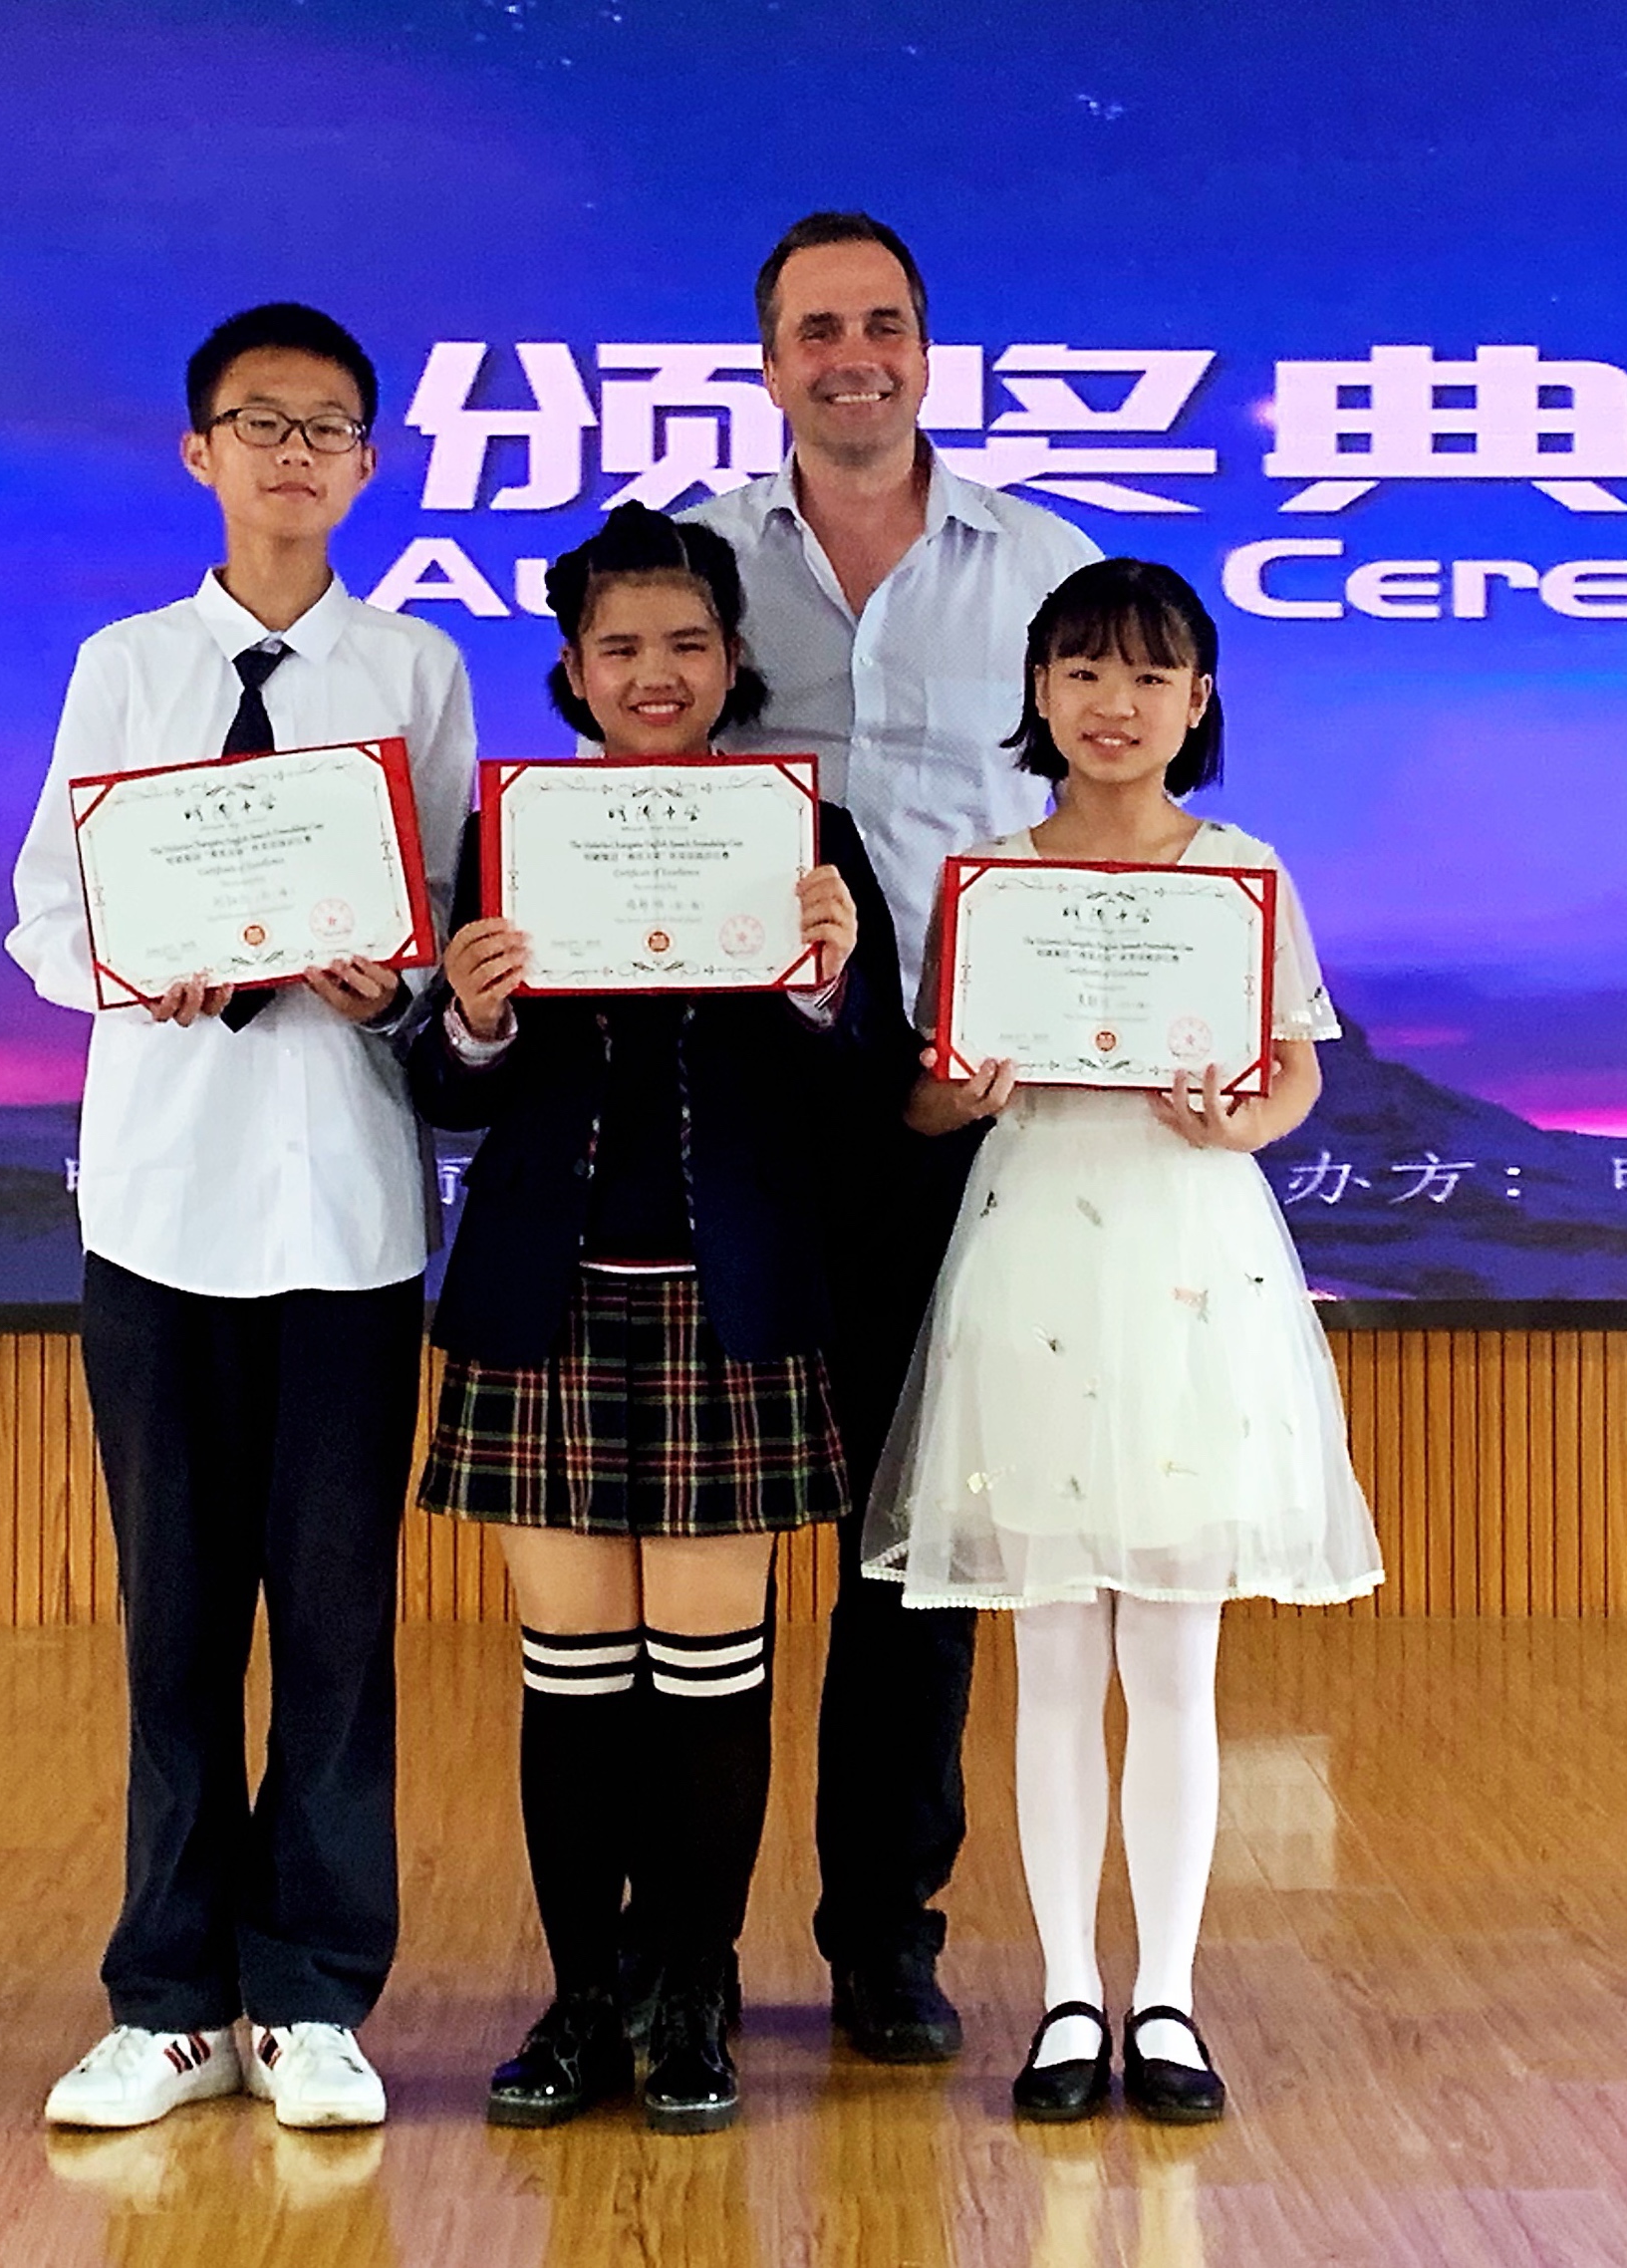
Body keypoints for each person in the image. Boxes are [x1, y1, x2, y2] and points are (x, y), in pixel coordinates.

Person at [7, 301, 475, 2133]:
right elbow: (49, 913)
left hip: (347, 1213)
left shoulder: (413, 672)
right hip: (159, 1207)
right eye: (261, 423)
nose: (295, 453)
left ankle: (312, 1998)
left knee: (338, 1627)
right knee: (177, 1621)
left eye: (328, 427)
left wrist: (394, 979)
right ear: (198, 450)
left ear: (368, 464)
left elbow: (453, 914)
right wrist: (150, 968)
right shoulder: (123, 666)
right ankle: (167, 2000)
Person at [409, 503, 912, 2134]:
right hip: (541, 1302)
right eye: (618, 646)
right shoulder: (509, 836)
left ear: (733, 660)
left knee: (706, 1676)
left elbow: (874, 1092)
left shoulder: (809, 841)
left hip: (738, 1303)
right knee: (570, 1676)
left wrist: (825, 987)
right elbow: (441, 1087)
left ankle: (692, 1989)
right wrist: (473, 1022)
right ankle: (580, 2001)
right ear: (571, 669)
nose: (654, 673)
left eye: (686, 643)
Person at [864, 558, 1384, 2125]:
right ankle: (1064, 1999)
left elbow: (1295, 1071)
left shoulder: (1242, 872)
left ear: (1197, 700)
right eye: (1083, 670)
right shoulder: (985, 877)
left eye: (1150, 675)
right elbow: (924, 1097)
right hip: (1029, 1253)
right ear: (1037, 692)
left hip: (1183, 1263)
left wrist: (1240, 1124)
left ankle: (1164, 1996)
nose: (1114, 703)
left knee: (1172, 1656)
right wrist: (960, 1091)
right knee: (1046, 1663)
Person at [684, 209, 1101, 2063]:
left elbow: (1108, 803)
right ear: (767, 360)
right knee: (706, 1540)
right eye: (814, 329)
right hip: (737, 1098)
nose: (851, 355)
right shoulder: (694, 556)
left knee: (912, 1544)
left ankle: (881, 1938)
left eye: (882, 324)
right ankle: (678, 1949)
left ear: (926, 348)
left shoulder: (1044, 563)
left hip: (962, 1105)